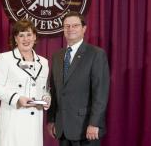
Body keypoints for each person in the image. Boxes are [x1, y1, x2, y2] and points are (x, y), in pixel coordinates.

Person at [47, 11, 110, 146]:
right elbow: (54, 91)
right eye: (67, 26)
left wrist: (94, 123)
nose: (70, 29)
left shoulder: (96, 54)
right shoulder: (57, 56)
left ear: (84, 29)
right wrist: (52, 120)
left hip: (86, 128)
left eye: (75, 25)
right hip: (62, 127)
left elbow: (100, 93)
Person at [0, 19, 51, 146]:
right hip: (13, 118)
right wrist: (17, 98)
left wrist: (46, 98)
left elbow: (43, 89)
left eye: (29, 34)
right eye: (21, 35)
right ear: (15, 39)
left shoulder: (43, 62)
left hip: (34, 122)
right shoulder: (5, 58)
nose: (25, 39)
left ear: (34, 37)